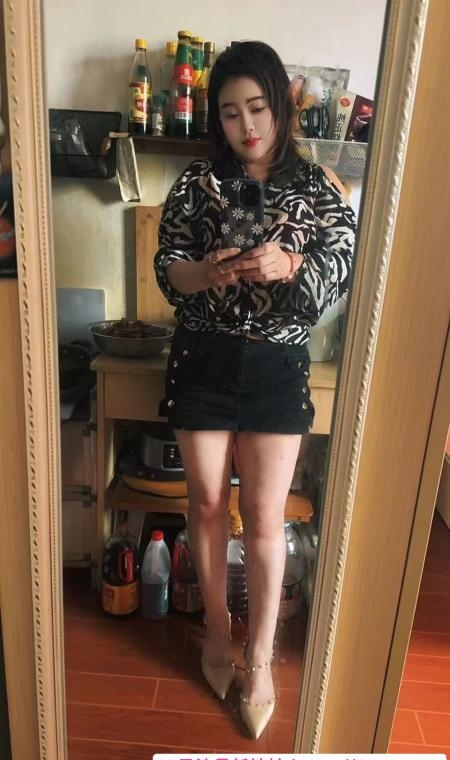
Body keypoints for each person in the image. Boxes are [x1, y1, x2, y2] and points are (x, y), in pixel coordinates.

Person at [154, 40, 356, 739]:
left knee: (266, 517)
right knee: (207, 504)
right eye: (231, 112)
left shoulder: (320, 185)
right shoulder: (196, 182)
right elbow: (168, 264)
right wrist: (206, 273)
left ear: (282, 107)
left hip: (276, 364)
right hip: (204, 356)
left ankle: (261, 658)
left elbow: (342, 266)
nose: (246, 125)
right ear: (216, 117)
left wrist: (290, 263)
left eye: (258, 108)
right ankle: (216, 631)